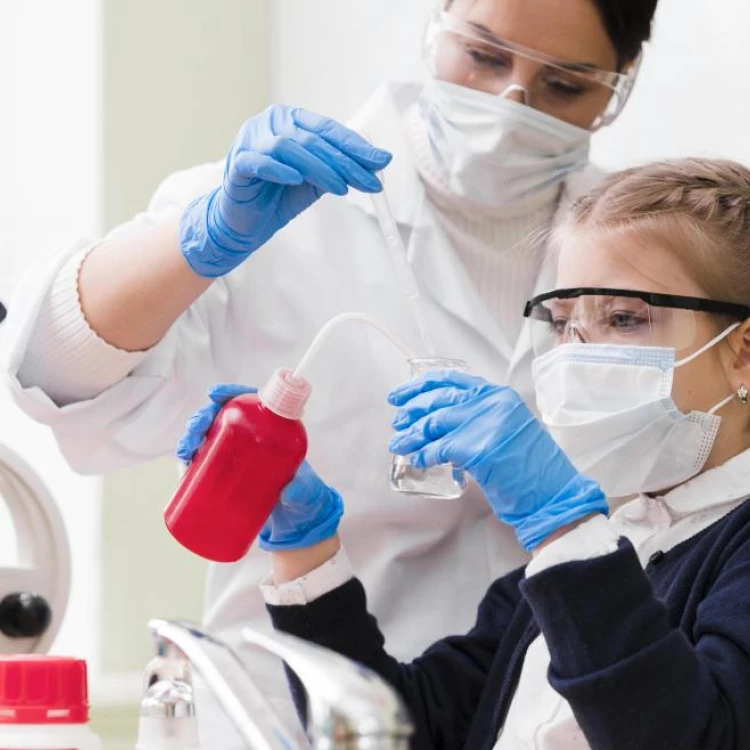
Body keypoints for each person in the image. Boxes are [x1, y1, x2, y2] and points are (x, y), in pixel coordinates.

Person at [2, 0, 658, 741]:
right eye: (482, 54)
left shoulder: (644, 251)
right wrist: (200, 239)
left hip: (546, 715)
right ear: (438, 22)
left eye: (565, 85)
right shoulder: (290, 201)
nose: (509, 104)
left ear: (622, 81)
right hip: (293, 714)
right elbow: (55, 376)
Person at [182, 157, 750, 748]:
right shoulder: (596, 549)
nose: (578, 355)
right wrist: (308, 552)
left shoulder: (603, 550)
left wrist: (563, 524)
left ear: (743, 352)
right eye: (562, 324)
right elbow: (400, 733)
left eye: (625, 318)